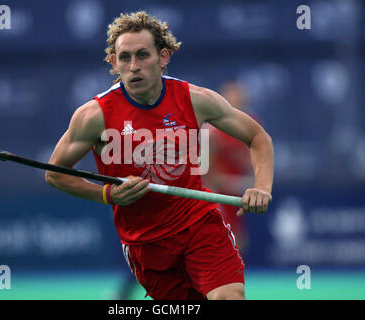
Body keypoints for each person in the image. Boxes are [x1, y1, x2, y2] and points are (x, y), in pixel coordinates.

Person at [45, 11, 274, 300]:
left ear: (163, 57)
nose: (134, 66)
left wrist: (262, 186)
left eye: (143, 55)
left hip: (198, 225)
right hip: (145, 244)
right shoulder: (94, 115)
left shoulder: (194, 99)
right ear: (114, 63)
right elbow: (55, 174)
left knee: (229, 297)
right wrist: (108, 195)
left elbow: (257, 137)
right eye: (124, 57)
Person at [202, 81, 257, 255]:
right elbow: (205, 169)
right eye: (232, 96)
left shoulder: (252, 125)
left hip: (237, 194)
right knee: (222, 238)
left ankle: (232, 276)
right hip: (218, 193)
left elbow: (253, 160)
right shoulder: (212, 129)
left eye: (240, 97)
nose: (237, 101)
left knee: (239, 240)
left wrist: (251, 182)